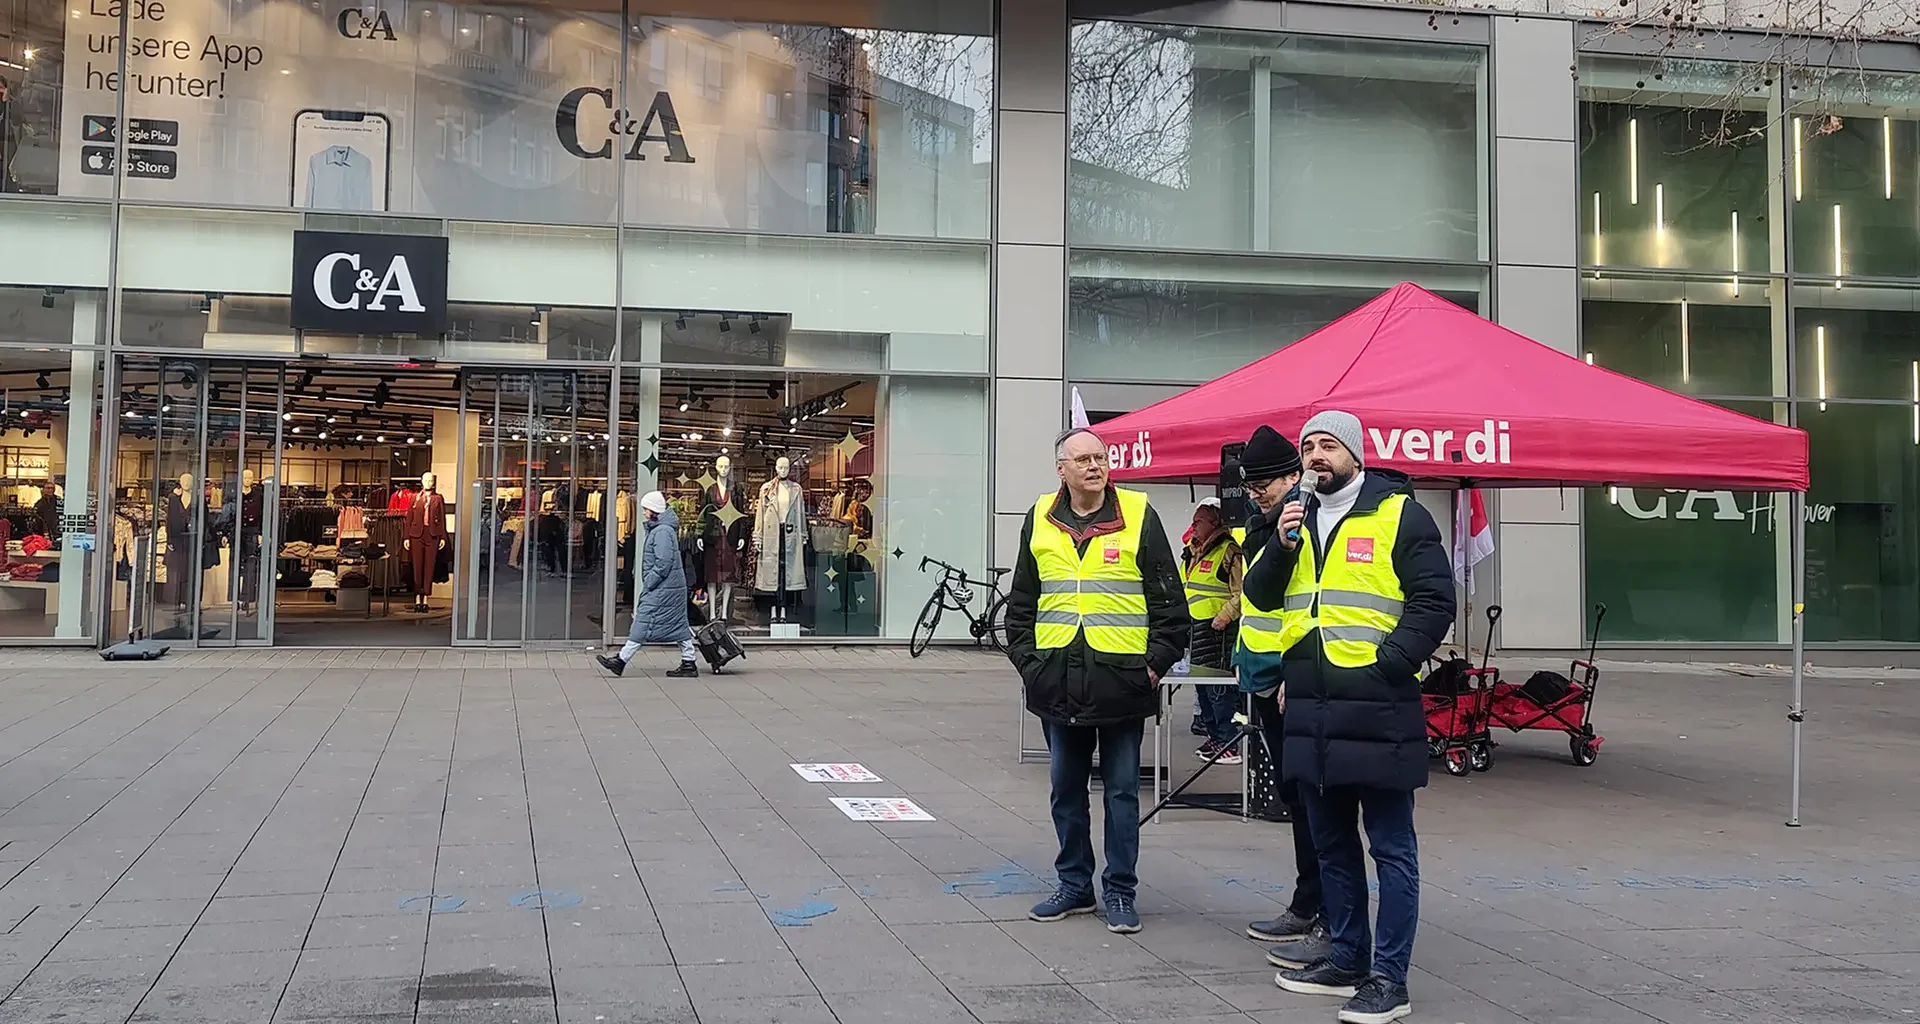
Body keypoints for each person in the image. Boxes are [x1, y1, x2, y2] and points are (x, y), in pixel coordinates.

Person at [1242, 411, 1454, 1024]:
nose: (1315, 455)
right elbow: (1261, 597)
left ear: (1355, 455)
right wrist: (1280, 545)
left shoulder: (1399, 513)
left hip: (1379, 703)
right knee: (1331, 844)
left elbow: (1434, 598)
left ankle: (1390, 979)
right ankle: (1347, 957)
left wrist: (1391, 662)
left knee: (1391, 847)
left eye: (1328, 445)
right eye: (1308, 446)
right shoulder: (1294, 519)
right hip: (1310, 705)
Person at [1005, 426, 1185, 935]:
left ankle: (1121, 891)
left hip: (1123, 682)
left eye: (1101, 457)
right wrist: (1029, 662)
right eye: (1082, 458)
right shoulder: (1040, 518)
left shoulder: (1138, 516)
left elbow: (1171, 608)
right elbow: (1021, 604)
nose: (1095, 466)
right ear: (1060, 468)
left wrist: (1153, 666)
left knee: (1123, 794)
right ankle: (1074, 886)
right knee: (1066, 790)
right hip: (1057, 681)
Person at [1230, 426, 1332, 972]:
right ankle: (1306, 902)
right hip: (1265, 676)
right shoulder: (1264, 522)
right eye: (1251, 485)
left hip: (1291, 677)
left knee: (1310, 799)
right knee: (1296, 800)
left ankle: (1317, 909)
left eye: (1265, 482)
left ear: (1293, 475)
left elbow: (1308, 601)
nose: (1256, 492)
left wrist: (1296, 671)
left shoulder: (1303, 518)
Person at [596, 491, 699, 678]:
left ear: (654, 511)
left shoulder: (661, 531)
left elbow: (663, 562)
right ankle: (689, 661)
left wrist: (649, 581)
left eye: (646, 509)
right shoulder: (663, 529)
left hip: (662, 587)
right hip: (670, 587)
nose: (643, 512)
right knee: (678, 625)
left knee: (642, 622)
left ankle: (621, 660)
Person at [1181, 497, 1243, 765]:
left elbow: (1242, 592)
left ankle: (1228, 742)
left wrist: (1225, 616)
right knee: (1203, 689)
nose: (1193, 526)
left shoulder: (1229, 550)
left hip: (1218, 630)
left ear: (1215, 523)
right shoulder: (1194, 550)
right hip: (1196, 628)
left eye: (1199, 521)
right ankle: (1215, 737)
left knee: (1219, 690)